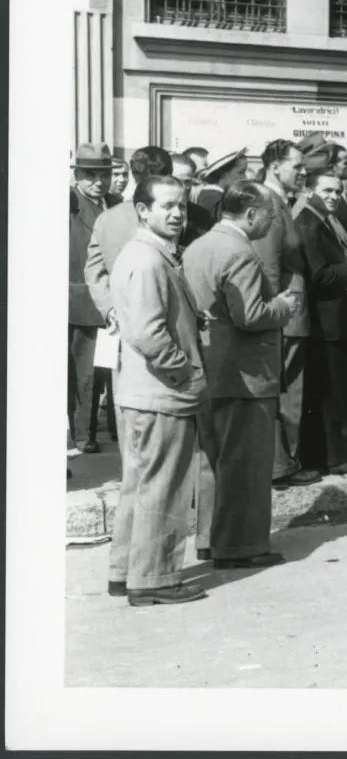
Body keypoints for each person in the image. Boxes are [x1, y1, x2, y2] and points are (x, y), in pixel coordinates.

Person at [183, 181, 300, 569]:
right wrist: (283, 305)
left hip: (210, 368)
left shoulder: (198, 246)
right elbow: (250, 315)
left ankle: (209, 539)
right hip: (246, 374)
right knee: (245, 464)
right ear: (251, 214)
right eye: (271, 214)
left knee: (213, 460)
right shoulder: (241, 253)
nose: (273, 222)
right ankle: (239, 546)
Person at [107, 174, 209, 604]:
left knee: (141, 486)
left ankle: (126, 570)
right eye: (166, 206)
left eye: (181, 206)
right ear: (142, 211)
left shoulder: (147, 254)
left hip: (143, 392)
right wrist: (183, 371)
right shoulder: (148, 259)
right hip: (161, 392)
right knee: (163, 488)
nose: (177, 214)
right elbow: (148, 333)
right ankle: (155, 579)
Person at [294, 169, 347, 476]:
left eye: (337, 191)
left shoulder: (327, 220)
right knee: (331, 394)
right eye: (326, 190)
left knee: (334, 392)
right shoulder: (309, 223)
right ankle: (337, 457)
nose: (332, 196)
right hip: (325, 322)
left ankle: (330, 455)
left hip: (336, 318)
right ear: (310, 190)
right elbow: (318, 275)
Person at [253, 140, 319, 488]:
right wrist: (278, 308)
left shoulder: (278, 201)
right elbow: (268, 266)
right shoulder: (270, 203)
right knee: (287, 391)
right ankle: (282, 463)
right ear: (275, 166)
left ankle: (282, 461)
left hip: (289, 310)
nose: (303, 172)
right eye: (297, 166)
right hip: (286, 312)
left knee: (287, 389)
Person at [85, 146, 174, 344]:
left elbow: (94, 273)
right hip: (171, 326)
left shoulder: (107, 218)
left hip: (122, 322)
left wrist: (110, 310)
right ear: (170, 173)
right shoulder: (183, 215)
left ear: (134, 174)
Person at [69, 143, 117, 453]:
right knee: (81, 372)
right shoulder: (68, 202)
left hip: (111, 301)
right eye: (90, 175)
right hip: (80, 301)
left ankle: (104, 430)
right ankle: (83, 435)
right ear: (76, 175)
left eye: (104, 175)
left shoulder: (115, 204)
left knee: (104, 369)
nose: (98, 182)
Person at [192, 149, 248, 229]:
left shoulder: (216, 196)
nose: (245, 177)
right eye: (241, 172)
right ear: (223, 173)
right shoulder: (213, 198)